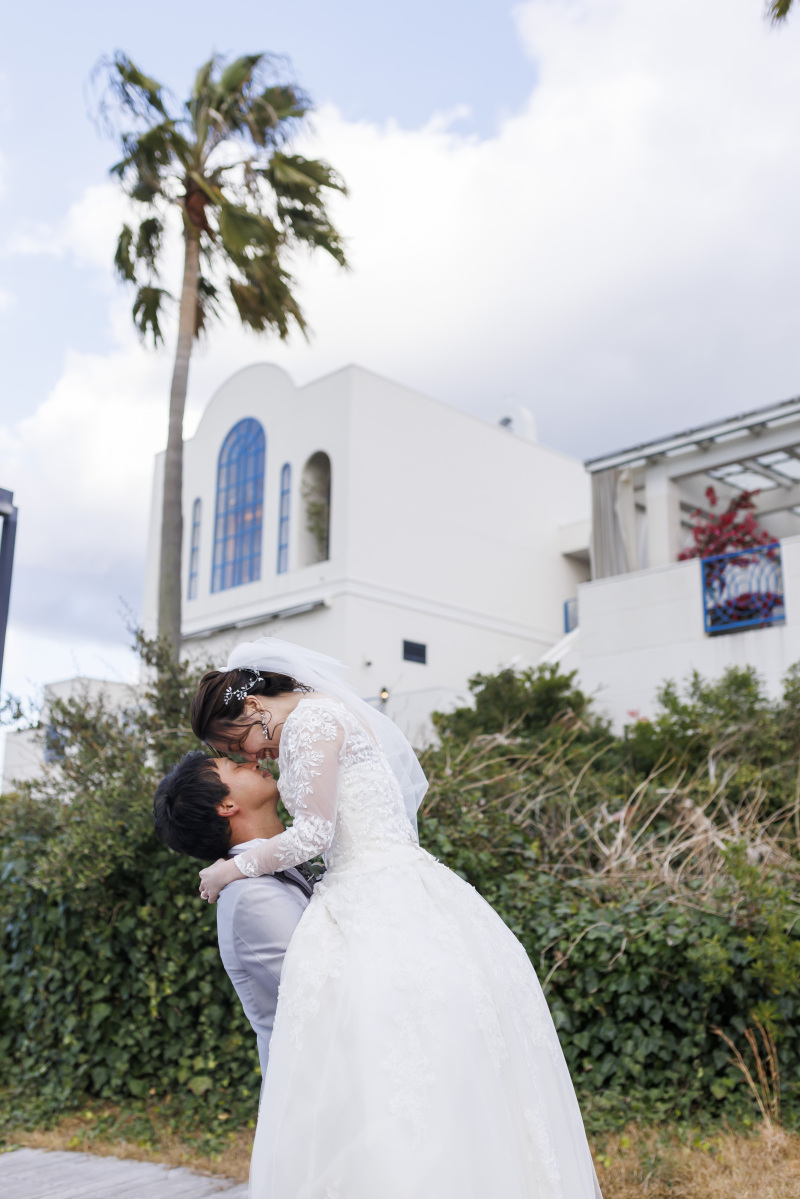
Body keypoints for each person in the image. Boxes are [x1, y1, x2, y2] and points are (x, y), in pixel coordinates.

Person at [188, 637, 603, 1199]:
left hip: (373, 888)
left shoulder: (309, 724)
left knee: (383, 1050)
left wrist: (229, 872)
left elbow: (314, 834)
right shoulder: (325, 713)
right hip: (403, 882)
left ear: (254, 707)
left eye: (238, 742)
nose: (253, 757)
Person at [153, 751, 313, 1080]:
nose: (254, 762)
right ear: (226, 806)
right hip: (317, 1083)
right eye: (238, 766)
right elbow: (323, 987)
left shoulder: (260, 871)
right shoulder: (251, 897)